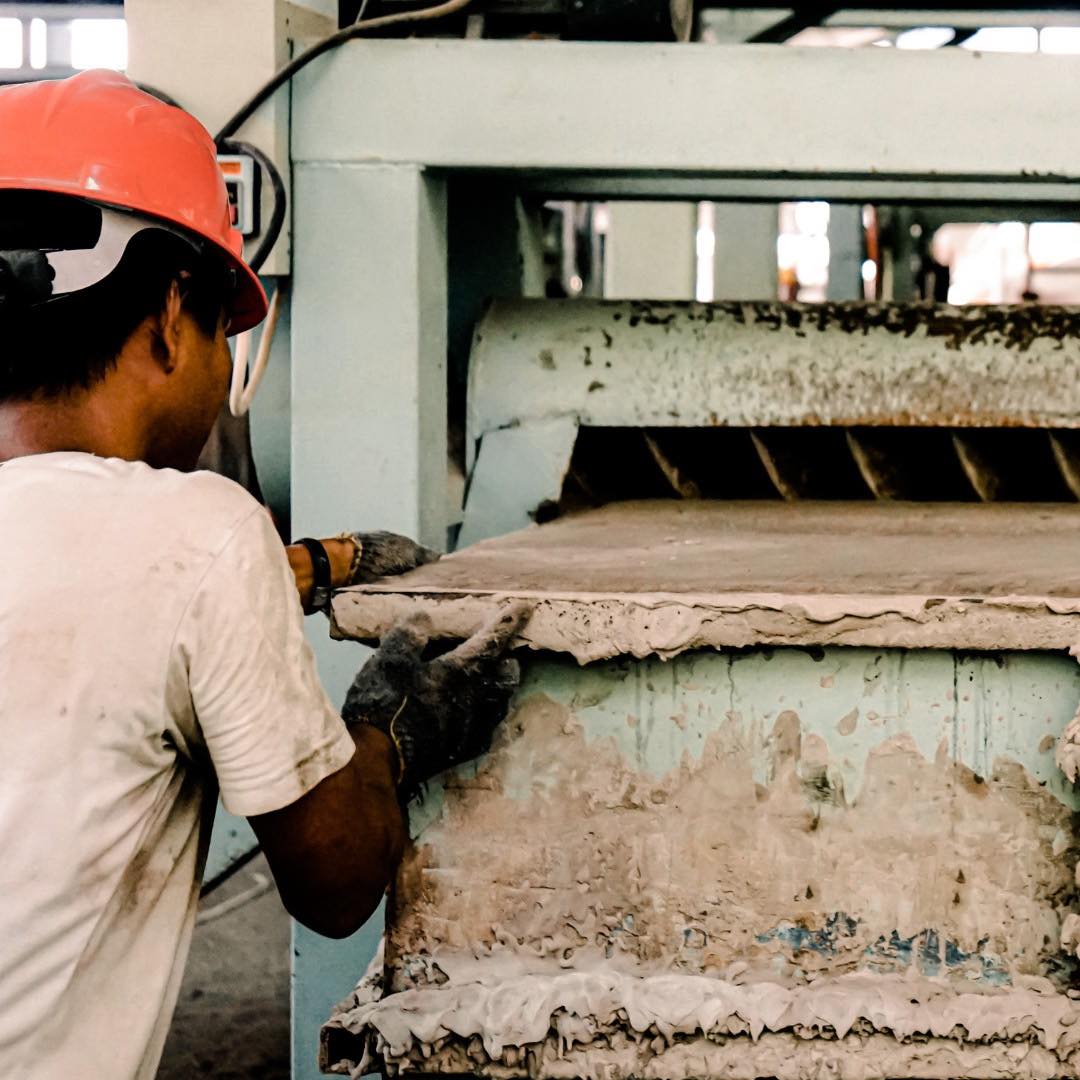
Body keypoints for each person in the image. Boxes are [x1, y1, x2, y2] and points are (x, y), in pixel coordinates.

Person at [0, 70, 524, 1079]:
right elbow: (335, 884)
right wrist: (392, 729)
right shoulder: (200, 535)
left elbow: (74, 595)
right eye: (223, 335)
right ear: (170, 315)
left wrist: (316, 568)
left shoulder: (170, 557)